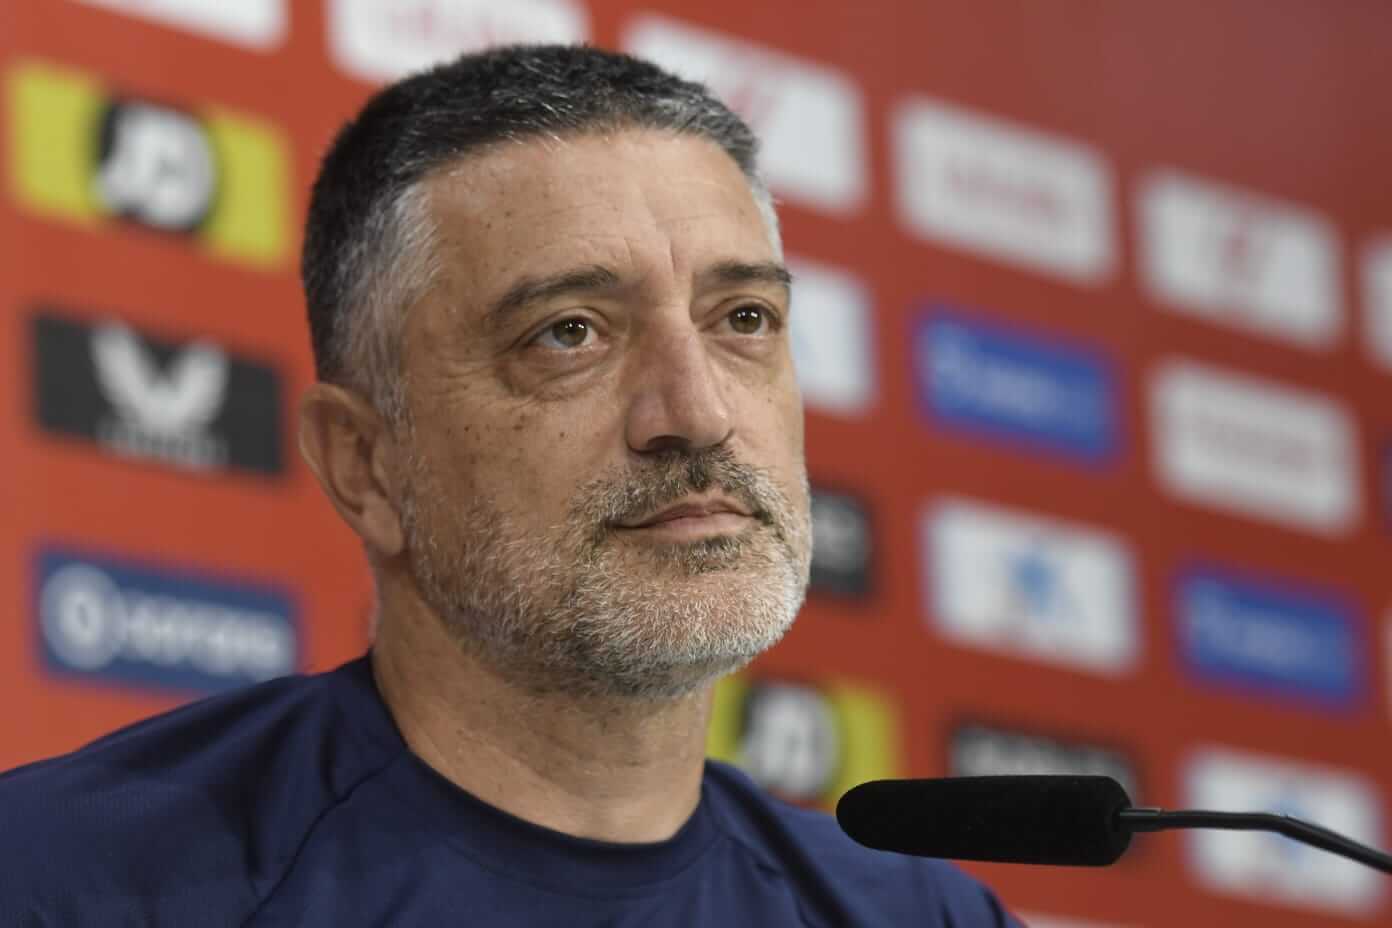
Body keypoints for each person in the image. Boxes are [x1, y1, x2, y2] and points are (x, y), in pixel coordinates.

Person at [1, 44, 1022, 925]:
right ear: (366, 463)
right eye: (568, 333)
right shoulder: (71, 884)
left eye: (742, 318)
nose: (698, 412)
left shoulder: (921, 913)